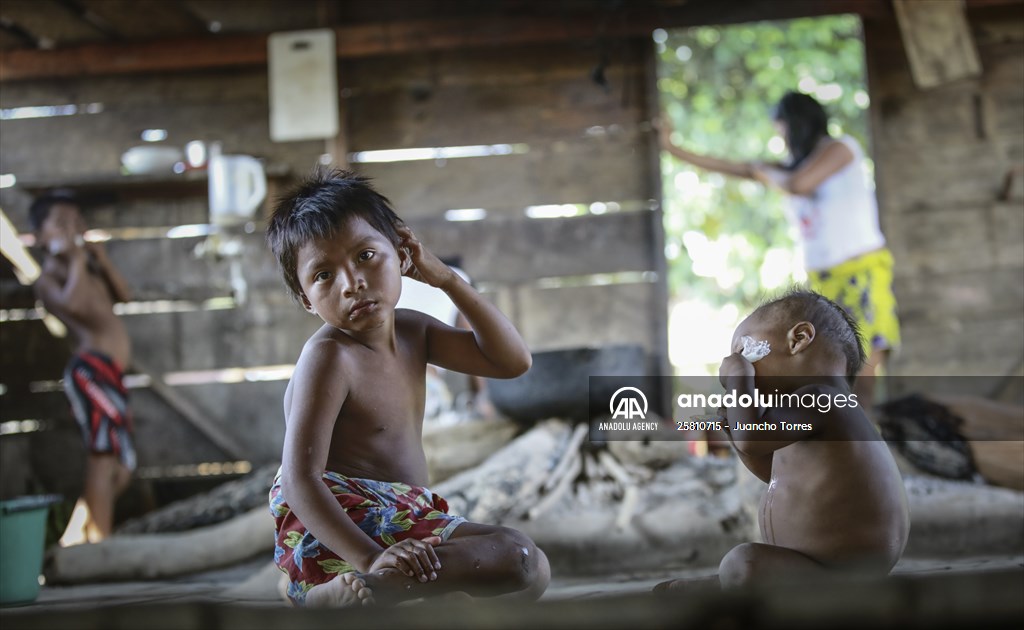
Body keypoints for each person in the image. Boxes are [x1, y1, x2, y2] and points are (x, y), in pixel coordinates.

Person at [264, 169, 550, 607]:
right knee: (516, 558)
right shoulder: (328, 357)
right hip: (342, 524)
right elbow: (300, 480)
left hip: (406, 517)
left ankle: (373, 596)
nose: (351, 282)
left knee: (530, 568)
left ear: (401, 255)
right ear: (306, 299)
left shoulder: (416, 332)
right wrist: (370, 557)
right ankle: (339, 595)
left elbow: (512, 361)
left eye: (365, 256)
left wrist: (447, 280)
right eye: (324, 275)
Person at [660, 91, 900, 411]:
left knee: (864, 365)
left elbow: (798, 184)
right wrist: (674, 149)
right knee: (830, 365)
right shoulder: (789, 167)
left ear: (797, 124)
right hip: (824, 278)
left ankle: (868, 441)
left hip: (860, 272)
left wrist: (764, 172)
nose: (781, 138)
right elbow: (745, 169)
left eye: (782, 129)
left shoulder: (841, 149)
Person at [657, 289, 909, 592]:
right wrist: (733, 429)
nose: (736, 361)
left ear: (799, 339)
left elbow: (752, 439)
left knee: (743, 562)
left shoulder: (822, 399)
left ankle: (721, 588)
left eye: (743, 350)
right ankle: (726, 586)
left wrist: (739, 378)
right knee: (747, 567)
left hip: (843, 570)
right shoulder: (810, 412)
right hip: (812, 566)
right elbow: (775, 473)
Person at [30, 191, 135, 542]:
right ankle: (98, 544)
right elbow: (73, 306)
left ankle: (74, 543)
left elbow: (125, 295)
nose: (73, 230)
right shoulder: (48, 279)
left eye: (77, 222)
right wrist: (75, 257)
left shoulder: (90, 271)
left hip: (111, 376)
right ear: (41, 236)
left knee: (120, 470)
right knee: (103, 461)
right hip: (90, 373)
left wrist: (100, 260)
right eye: (61, 224)